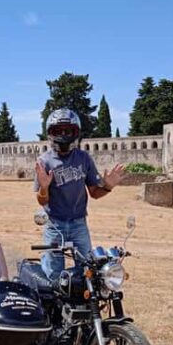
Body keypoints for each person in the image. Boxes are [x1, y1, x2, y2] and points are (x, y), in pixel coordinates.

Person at [34, 108, 125, 281]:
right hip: (55, 224)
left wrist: (108, 186)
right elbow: (41, 200)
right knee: (53, 274)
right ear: (50, 133)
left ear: (76, 132)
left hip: (79, 224)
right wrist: (44, 187)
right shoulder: (44, 162)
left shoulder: (83, 158)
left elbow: (94, 193)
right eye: (58, 131)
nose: (63, 135)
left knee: (88, 270)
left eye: (68, 130)